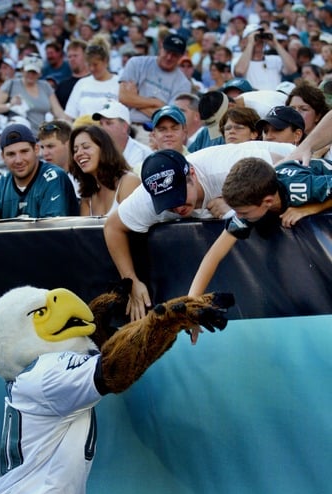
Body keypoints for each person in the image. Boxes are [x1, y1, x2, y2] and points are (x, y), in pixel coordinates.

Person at [104, 141, 295, 320]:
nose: (178, 208)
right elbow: (112, 227)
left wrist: (235, 201)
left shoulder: (224, 168)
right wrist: (131, 282)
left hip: (291, 157)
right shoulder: (146, 199)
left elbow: (287, 166)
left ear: (192, 175)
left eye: (179, 196)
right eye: (169, 203)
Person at [188, 156, 332, 298]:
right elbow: (215, 254)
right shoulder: (249, 204)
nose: (238, 216)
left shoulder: (300, 188)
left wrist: (311, 209)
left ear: (268, 201)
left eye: (243, 212)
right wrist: (192, 301)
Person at [0, 123, 79, 222]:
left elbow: (50, 233)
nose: (19, 160)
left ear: (36, 149)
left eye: (24, 151)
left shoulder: (54, 178)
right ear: (2, 156)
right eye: (11, 154)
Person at [118, 33, 191, 143]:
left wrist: (134, 98)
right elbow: (123, 97)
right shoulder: (137, 63)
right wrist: (156, 103)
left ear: (181, 56)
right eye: (167, 51)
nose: (169, 57)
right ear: (160, 47)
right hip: (124, 122)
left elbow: (168, 118)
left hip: (150, 131)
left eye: (174, 54)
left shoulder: (183, 83)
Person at [69, 125, 140, 216]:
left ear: (104, 149)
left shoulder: (128, 181)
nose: (78, 153)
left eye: (86, 147)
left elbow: (132, 227)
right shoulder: (88, 195)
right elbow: (84, 230)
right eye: (75, 150)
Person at [0, 54, 67, 135]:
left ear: (40, 73)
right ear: (22, 70)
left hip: (41, 135)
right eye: (28, 71)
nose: (31, 75)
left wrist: (68, 123)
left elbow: (58, 111)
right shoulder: (11, 84)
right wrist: (10, 105)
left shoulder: (45, 86)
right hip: (18, 134)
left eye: (34, 72)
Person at [65, 36, 119, 121]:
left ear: (105, 61)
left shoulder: (118, 83)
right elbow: (69, 115)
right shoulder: (81, 83)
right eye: (89, 65)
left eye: (95, 64)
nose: (92, 69)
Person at [233, 25, 297, 90]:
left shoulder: (275, 59)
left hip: (274, 98)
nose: (259, 41)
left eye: (261, 37)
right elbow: (240, 71)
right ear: (244, 41)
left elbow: (293, 69)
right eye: (256, 37)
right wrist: (250, 43)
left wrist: (276, 43)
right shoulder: (237, 60)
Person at [92, 101, 152, 168]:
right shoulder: (95, 152)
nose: (102, 128)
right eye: (101, 124)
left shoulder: (143, 153)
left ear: (125, 127)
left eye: (109, 123)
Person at [36, 119, 80, 198]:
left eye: (50, 146)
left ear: (69, 144)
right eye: (42, 147)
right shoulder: (38, 180)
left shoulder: (86, 178)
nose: (44, 153)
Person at [55, 38, 89, 109]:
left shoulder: (95, 81)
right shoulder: (62, 86)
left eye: (75, 56)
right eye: (69, 56)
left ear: (86, 57)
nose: (72, 59)